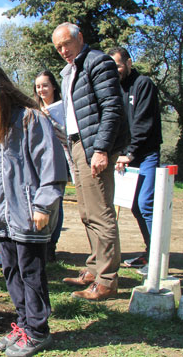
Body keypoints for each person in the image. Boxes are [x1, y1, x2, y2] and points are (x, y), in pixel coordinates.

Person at [0, 61, 66, 356]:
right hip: (3, 217)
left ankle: (38, 331)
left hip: (30, 215)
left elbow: (52, 165)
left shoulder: (33, 119)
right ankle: (23, 324)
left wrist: (44, 204)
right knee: (11, 271)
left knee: (31, 273)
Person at [52, 22, 129, 300]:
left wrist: (101, 149)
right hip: (75, 145)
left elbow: (112, 107)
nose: (63, 50)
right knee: (86, 212)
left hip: (93, 146)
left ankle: (107, 280)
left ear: (79, 38)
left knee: (100, 212)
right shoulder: (70, 71)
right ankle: (95, 268)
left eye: (66, 44)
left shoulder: (98, 62)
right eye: (58, 47)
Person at [108, 47, 162, 276]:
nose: (116, 71)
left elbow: (143, 123)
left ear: (129, 62)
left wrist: (129, 152)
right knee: (136, 207)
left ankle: (157, 259)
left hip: (145, 155)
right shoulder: (114, 88)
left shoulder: (143, 84)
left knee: (146, 204)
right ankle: (149, 251)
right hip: (125, 156)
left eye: (118, 66)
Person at [33, 70, 71, 262]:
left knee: (56, 202)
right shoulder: (34, 109)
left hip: (60, 158)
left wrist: (52, 121)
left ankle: (51, 245)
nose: (41, 90)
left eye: (45, 85)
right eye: (38, 86)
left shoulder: (64, 107)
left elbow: (68, 135)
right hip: (39, 161)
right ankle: (41, 242)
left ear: (54, 86)